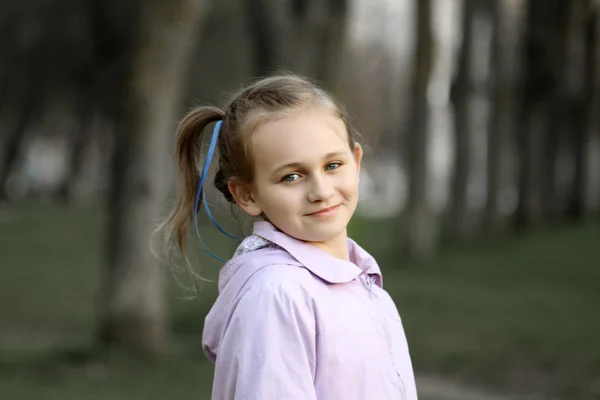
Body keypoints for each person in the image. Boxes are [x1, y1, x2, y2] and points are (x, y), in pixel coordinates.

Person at [162, 74, 418, 399]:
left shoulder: (363, 281)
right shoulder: (276, 294)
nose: (321, 191)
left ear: (355, 162)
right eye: (292, 176)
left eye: (333, 165)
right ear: (247, 195)